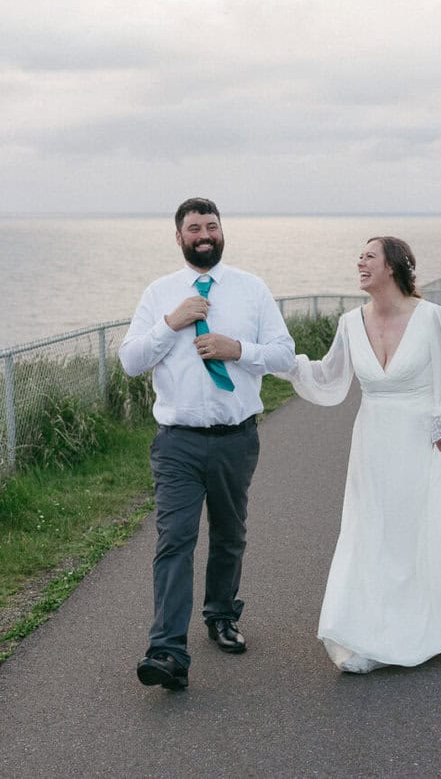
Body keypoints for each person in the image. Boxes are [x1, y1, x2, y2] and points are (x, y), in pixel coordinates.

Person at [278, 236, 441, 673]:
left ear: (394, 267)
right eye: (359, 256)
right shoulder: (349, 322)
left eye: (369, 257)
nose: (359, 262)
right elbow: (329, 376)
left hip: (424, 438)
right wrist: (278, 362)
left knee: (426, 524)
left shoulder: (434, 319)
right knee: (373, 530)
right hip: (372, 441)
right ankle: (369, 628)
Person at [120, 198, 295, 691]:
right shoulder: (160, 295)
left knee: (229, 533)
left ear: (222, 232)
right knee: (175, 539)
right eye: (193, 227)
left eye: (211, 226)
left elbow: (283, 355)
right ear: (178, 237)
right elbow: (131, 361)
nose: (203, 234)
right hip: (177, 442)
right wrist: (170, 324)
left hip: (236, 439)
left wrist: (236, 349)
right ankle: (167, 651)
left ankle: (220, 615)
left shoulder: (251, 290)